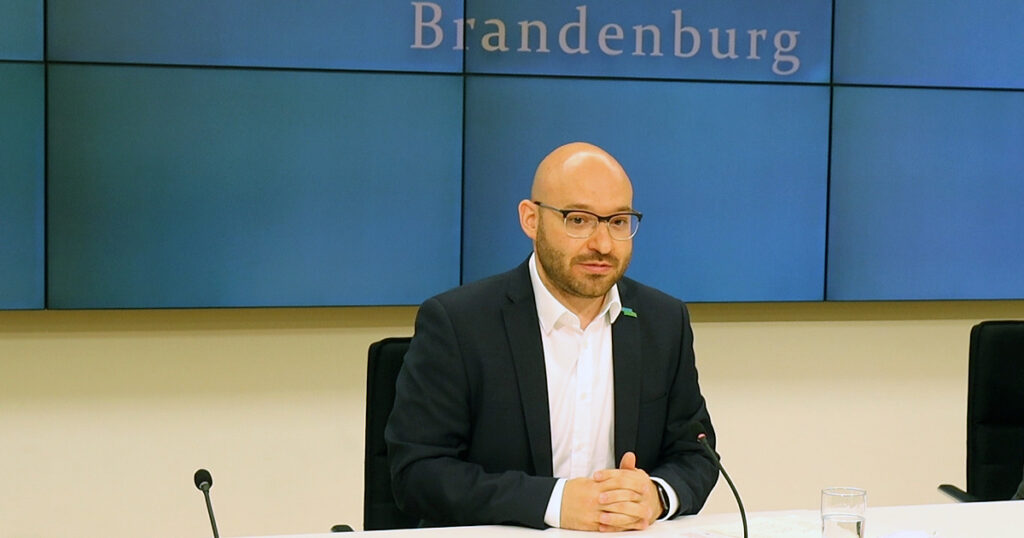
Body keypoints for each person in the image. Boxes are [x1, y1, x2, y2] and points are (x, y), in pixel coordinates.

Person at [385, 142, 718, 531]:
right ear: (531, 219)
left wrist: (657, 495)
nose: (603, 244)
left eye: (618, 221)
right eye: (579, 220)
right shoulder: (459, 323)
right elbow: (418, 474)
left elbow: (695, 454)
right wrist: (554, 502)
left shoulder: (663, 321)